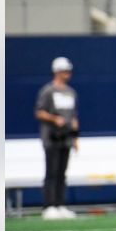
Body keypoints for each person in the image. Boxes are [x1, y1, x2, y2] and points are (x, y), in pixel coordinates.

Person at [34, 57, 79, 220]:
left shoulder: (71, 92)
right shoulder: (48, 91)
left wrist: (75, 138)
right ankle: (49, 205)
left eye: (68, 71)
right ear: (57, 72)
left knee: (62, 172)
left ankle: (60, 204)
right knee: (51, 172)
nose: (68, 74)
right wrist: (54, 119)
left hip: (66, 138)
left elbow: (74, 116)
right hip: (52, 137)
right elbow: (39, 112)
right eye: (65, 71)